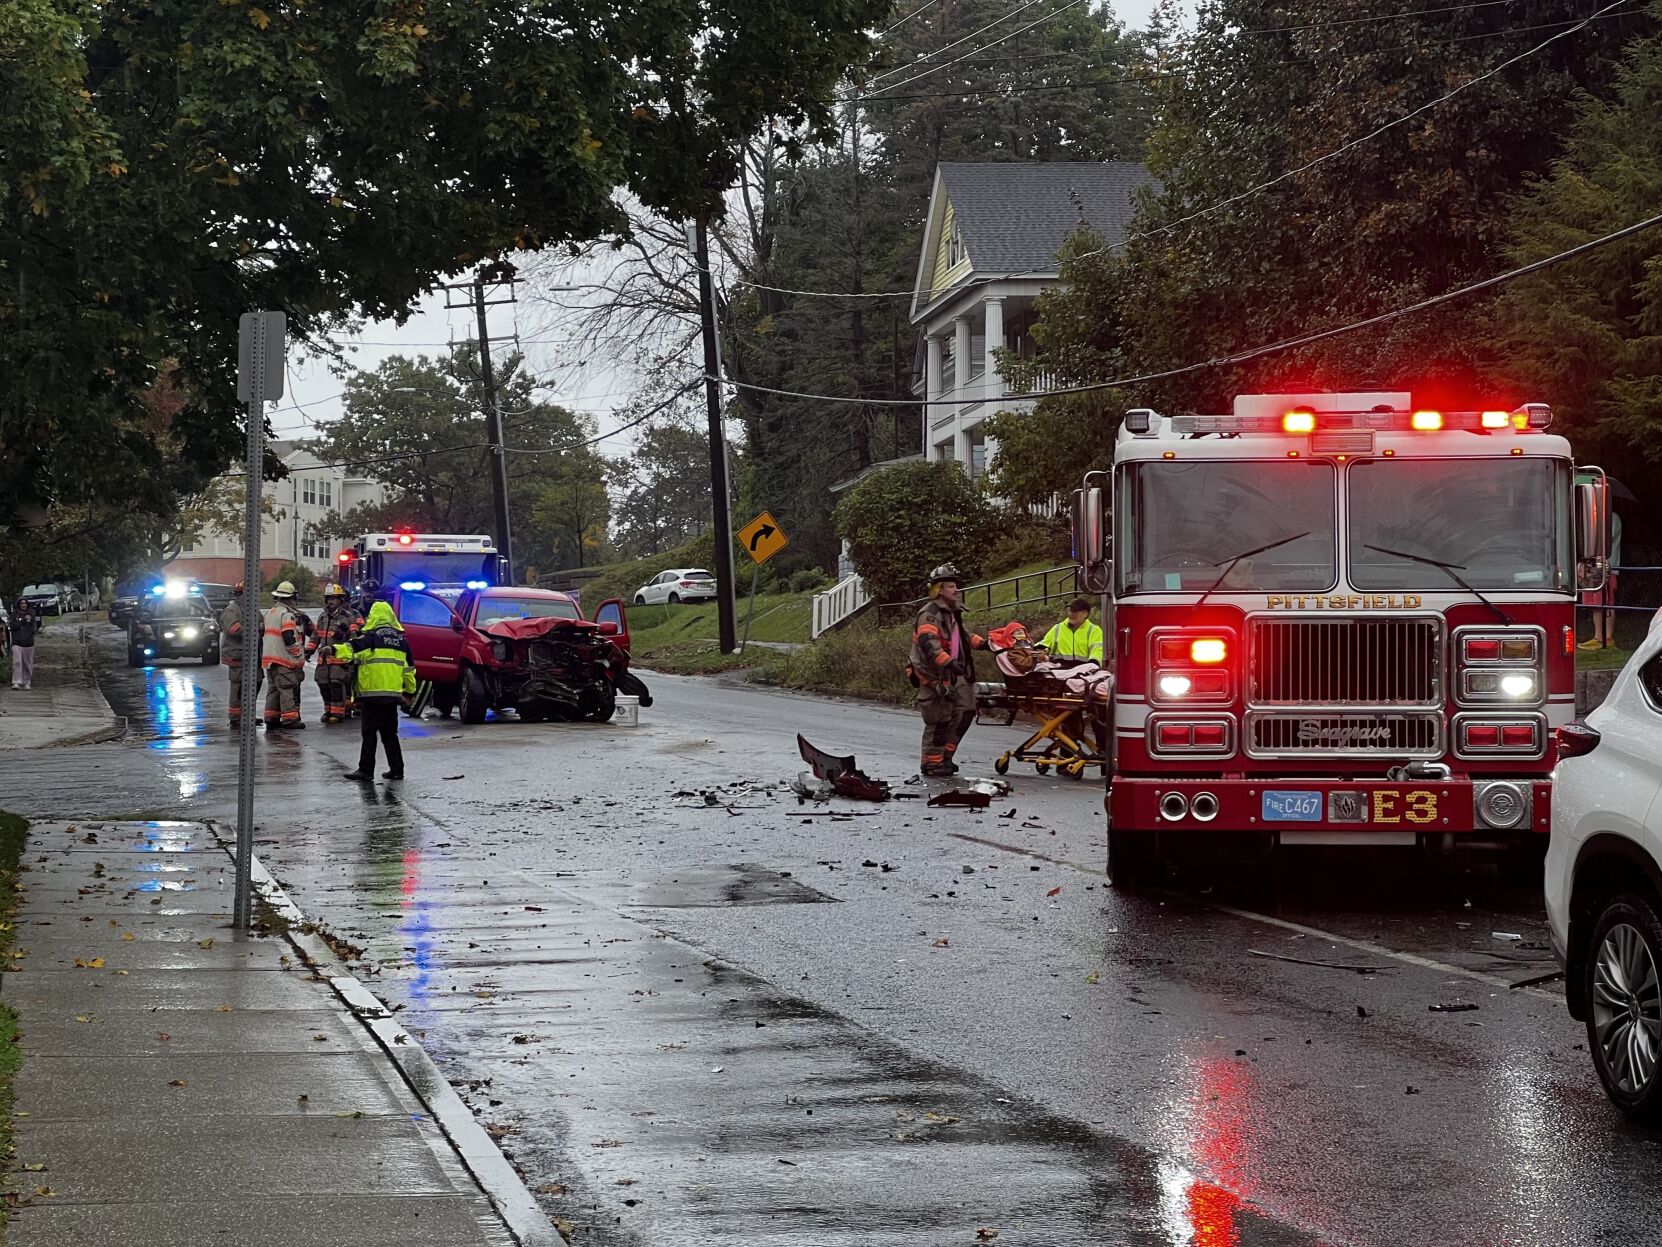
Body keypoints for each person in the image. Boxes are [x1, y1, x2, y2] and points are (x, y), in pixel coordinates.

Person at [909, 563, 985, 777]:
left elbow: (963, 636)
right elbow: (928, 641)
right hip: (933, 676)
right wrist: (947, 661)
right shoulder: (930, 614)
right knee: (939, 721)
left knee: (965, 712)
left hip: (953, 674)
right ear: (939, 589)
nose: (956, 590)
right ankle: (931, 763)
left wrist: (986, 644)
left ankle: (945, 757)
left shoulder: (952, 613)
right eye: (951, 586)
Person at [336, 598, 416, 782]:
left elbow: (349, 650)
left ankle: (365, 770)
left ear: (373, 617)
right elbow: (409, 672)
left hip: (371, 695)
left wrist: (332, 650)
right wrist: (409, 693)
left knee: (369, 733)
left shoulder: (370, 638)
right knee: (390, 734)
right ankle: (397, 770)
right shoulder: (401, 642)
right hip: (392, 696)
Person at [260, 581, 312, 729]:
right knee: (287, 688)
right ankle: (290, 719)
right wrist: (297, 654)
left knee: (274, 688)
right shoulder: (287, 615)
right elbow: (289, 637)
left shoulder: (270, 612)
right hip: (284, 659)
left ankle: (271, 717)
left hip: (270, 659)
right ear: (291, 598)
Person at [309, 584, 363, 723]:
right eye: (329, 598)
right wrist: (309, 650)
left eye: (334, 598)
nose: (331, 601)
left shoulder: (349, 617)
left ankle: (338, 713)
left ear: (340, 599)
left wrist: (349, 651)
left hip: (339, 659)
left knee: (336, 685)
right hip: (324, 659)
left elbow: (354, 639)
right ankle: (328, 710)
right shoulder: (322, 617)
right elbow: (316, 637)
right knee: (322, 683)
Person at [220, 581, 261, 726]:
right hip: (238, 656)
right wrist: (254, 629)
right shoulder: (231, 611)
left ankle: (248, 715)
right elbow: (234, 630)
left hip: (254, 656)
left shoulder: (253, 609)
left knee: (255, 684)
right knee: (239, 687)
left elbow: (262, 625)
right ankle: (236, 718)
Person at [1582, 510, 1624, 650]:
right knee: (1595, 604)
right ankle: (1598, 637)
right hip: (1593, 566)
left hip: (1607, 567)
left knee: (1607, 603)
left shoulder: (1612, 517)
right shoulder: (1596, 517)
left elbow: (1606, 539)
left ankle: (1608, 638)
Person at [1040, 598, 1105, 663]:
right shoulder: (1057, 628)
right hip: (1058, 669)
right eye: (1070, 610)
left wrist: (1093, 664)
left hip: (1085, 670)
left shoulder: (1094, 631)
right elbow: (1044, 645)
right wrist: (1039, 652)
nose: (1071, 613)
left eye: (1075, 611)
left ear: (1085, 613)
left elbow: (1098, 651)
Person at [10, 600, 39, 690]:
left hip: (28, 642)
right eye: (22, 603)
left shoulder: (32, 614)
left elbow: (34, 628)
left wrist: (29, 622)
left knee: (27, 663)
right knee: (17, 662)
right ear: (19, 605)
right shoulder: (14, 614)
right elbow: (12, 626)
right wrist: (23, 621)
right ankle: (16, 682)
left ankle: (27, 682)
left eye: (25, 603)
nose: (23, 605)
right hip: (17, 641)